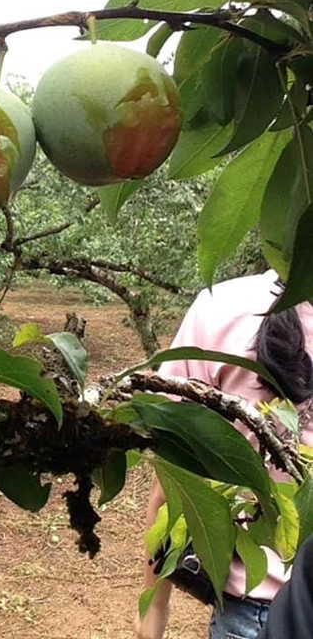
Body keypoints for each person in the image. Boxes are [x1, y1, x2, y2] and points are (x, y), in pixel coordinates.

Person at [134, 269, 313, 639]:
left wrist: (154, 609)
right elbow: (173, 474)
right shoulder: (223, 308)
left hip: (253, 611)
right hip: (256, 609)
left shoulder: (223, 306)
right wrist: (154, 607)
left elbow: (171, 482)